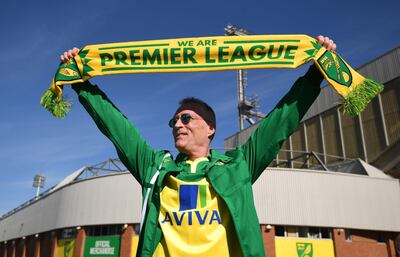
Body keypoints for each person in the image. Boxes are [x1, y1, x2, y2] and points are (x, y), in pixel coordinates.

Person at [61, 36, 336, 257]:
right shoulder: (154, 167)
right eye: (174, 120)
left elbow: (280, 122)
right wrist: (81, 84)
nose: (177, 124)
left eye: (186, 118)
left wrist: (314, 75)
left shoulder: (239, 166)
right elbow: (117, 128)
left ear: (210, 128)